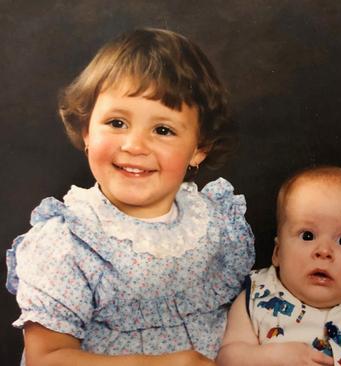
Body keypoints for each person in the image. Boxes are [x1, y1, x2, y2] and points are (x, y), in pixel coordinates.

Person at [5, 28, 254, 365]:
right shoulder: (68, 242)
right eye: (117, 122)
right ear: (86, 131)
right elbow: (46, 358)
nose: (135, 145)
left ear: (199, 149)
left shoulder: (213, 223)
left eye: (162, 130)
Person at [217, 166, 341, 366]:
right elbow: (228, 358)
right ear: (278, 252)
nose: (324, 251)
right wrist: (270, 357)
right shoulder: (257, 295)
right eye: (307, 236)